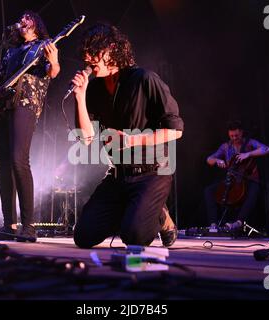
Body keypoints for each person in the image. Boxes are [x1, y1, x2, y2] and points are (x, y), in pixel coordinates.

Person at [70, 23, 184, 248]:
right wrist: (80, 98)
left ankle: (160, 214)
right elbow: (85, 139)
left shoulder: (144, 78)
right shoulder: (94, 89)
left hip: (152, 171)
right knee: (83, 236)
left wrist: (132, 139)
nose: (87, 57)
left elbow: (175, 130)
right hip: (118, 174)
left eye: (93, 51)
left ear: (112, 49)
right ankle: (135, 207)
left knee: (134, 236)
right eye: (85, 52)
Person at [0, 11, 60, 241]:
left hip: (25, 103)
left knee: (18, 160)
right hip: (2, 106)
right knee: (3, 164)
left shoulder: (44, 45)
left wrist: (54, 61)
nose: (22, 21)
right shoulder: (10, 51)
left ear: (36, 24)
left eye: (28, 18)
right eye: (21, 19)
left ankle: (29, 226)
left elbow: (52, 72)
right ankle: (10, 225)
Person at [204, 121, 269, 232]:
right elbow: (209, 159)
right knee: (208, 191)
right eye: (231, 136)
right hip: (232, 180)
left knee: (254, 190)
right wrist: (217, 160)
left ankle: (238, 222)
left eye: (236, 135)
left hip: (248, 179)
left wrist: (248, 154)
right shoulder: (225, 146)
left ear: (241, 133)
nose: (234, 138)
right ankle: (213, 224)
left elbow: (267, 149)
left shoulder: (250, 143)